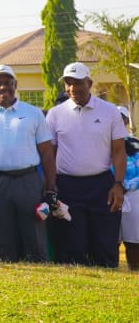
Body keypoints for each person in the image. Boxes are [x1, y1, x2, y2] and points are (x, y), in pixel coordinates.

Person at [0, 64, 56, 262]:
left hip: (28, 180)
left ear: (15, 84)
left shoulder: (33, 113)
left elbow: (47, 153)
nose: (3, 87)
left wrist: (51, 187)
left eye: (8, 82)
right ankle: (10, 269)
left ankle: (39, 270)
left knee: (34, 235)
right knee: (3, 236)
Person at [44, 62, 127, 267]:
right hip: (67, 186)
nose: (72, 88)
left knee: (104, 245)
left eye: (78, 83)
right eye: (68, 83)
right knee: (73, 246)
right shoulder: (55, 114)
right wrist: (51, 186)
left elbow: (118, 150)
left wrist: (118, 184)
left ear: (89, 83)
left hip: (102, 185)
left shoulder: (109, 111)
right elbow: (50, 154)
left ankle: (107, 282)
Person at [118, 106, 139, 270]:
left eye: (121, 118)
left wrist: (125, 186)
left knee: (134, 240)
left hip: (133, 196)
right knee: (110, 240)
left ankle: (134, 270)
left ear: (126, 120)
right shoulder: (101, 142)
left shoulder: (135, 143)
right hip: (108, 195)